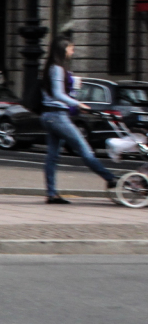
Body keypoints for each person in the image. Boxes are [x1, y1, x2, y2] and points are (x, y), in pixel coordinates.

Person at [39, 37, 117, 203]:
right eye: (71, 48)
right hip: (57, 116)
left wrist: (74, 88)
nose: (72, 51)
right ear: (63, 49)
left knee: (52, 156)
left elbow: (59, 93)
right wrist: (79, 104)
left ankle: (51, 193)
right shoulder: (57, 68)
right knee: (84, 149)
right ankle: (110, 178)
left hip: (51, 115)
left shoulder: (52, 68)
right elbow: (58, 94)